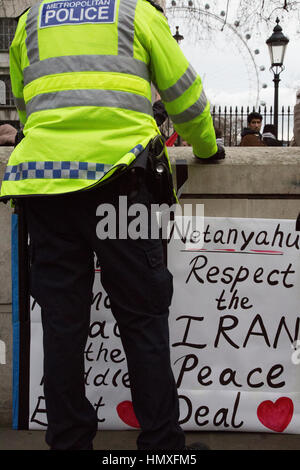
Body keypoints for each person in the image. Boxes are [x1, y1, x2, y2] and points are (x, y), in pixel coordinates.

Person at [0, 0, 223, 451]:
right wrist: (205, 147)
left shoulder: (30, 22)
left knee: (62, 323)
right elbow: (185, 94)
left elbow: (28, 106)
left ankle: (68, 441)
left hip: (47, 185)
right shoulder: (136, 13)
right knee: (142, 318)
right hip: (123, 183)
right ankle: (161, 443)